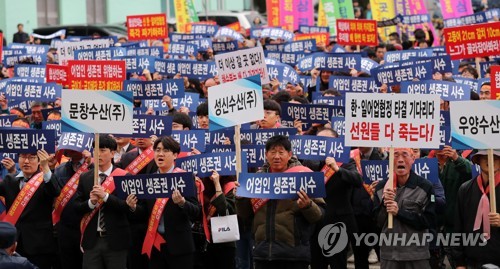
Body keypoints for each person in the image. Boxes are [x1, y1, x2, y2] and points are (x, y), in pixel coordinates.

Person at [236, 135, 326, 269]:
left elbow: (319, 215)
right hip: (263, 253)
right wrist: (240, 198)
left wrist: (307, 206)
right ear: (266, 155)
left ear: (289, 154)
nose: (276, 156)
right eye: (272, 152)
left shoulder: (304, 176)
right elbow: (245, 215)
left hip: (294, 253)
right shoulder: (256, 180)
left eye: (281, 152)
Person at [304, 128, 363, 269]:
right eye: (319, 141)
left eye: (327, 141)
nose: (323, 144)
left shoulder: (345, 160)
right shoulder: (308, 161)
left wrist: (337, 169)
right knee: (317, 263)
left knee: (338, 263)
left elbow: (358, 180)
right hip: (315, 223)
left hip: (337, 223)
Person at [74, 134, 134, 269]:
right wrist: (91, 202)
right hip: (92, 241)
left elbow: (128, 207)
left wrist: (105, 196)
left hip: (116, 240)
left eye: (103, 150)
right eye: (96, 150)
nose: (98, 154)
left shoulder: (124, 176)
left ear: (113, 153)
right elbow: (76, 207)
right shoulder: (85, 177)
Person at [142, 136, 200, 269]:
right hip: (155, 244)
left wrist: (182, 203)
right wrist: (133, 207)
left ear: (175, 155)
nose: (160, 154)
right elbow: (143, 210)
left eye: (165, 150)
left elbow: (196, 211)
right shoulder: (149, 180)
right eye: (157, 150)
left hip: (179, 246)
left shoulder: (184, 178)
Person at [373, 148, 436, 269]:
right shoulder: (381, 187)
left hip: (416, 254)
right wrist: (384, 204)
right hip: (389, 255)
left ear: (413, 159)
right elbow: (377, 222)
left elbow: (429, 221)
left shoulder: (425, 186)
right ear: (390, 160)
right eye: (395, 155)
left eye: (405, 155)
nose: (400, 160)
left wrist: (399, 212)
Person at [0, 150, 61, 269]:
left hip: (39, 244)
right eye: (23, 157)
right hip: (14, 243)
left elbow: (55, 191)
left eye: (32, 158)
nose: (26, 161)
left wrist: (46, 167)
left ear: (39, 161)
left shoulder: (46, 180)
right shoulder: (10, 180)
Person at [452, 150, 500, 268]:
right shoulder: (465, 189)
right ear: (478, 160)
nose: (490, 160)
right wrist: (459, 263)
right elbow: (458, 227)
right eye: (485, 156)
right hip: (472, 261)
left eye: (495, 157)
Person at [53, 149, 92, 269]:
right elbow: (53, 191)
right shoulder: (60, 169)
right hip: (66, 227)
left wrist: (91, 165)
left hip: (87, 225)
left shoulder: (93, 165)